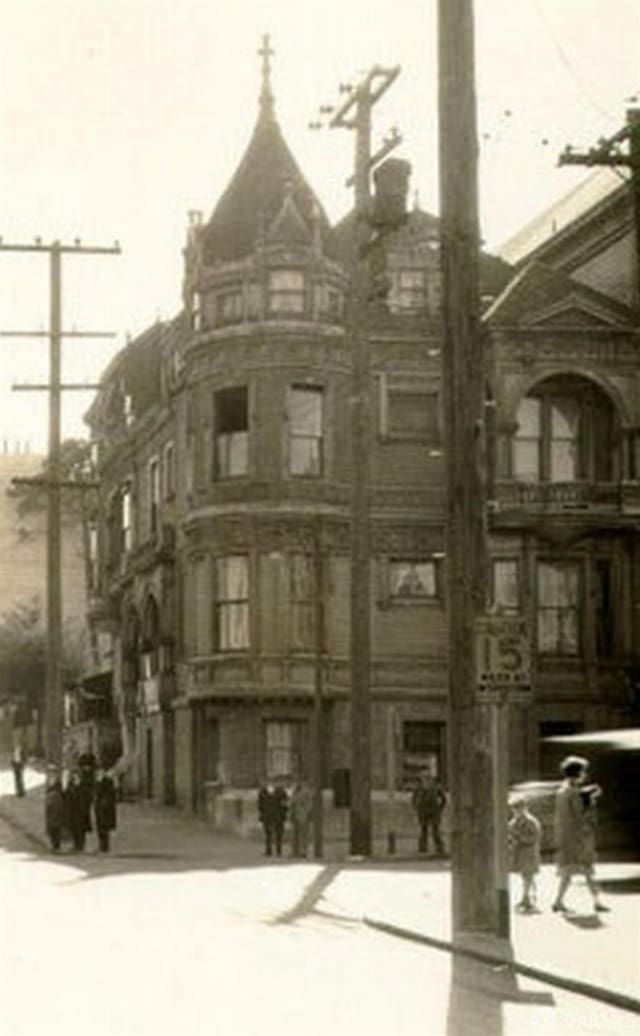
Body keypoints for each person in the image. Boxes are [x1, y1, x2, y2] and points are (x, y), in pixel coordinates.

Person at [552, 754, 609, 914]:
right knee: (587, 870)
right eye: (583, 771)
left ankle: (558, 902)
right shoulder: (573, 793)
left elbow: (574, 800)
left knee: (568, 873)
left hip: (566, 838)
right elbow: (580, 814)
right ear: (577, 773)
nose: (585, 774)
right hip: (578, 839)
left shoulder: (563, 790)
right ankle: (597, 902)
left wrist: (587, 793)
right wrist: (591, 800)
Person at [508, 795, 542, 912]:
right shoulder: (512, 823)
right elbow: (510, 836)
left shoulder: (531, 822)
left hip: (529, 852)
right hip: (519, 853)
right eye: (514, 808)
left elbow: (536, 837)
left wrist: (521, 839)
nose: (517, 811)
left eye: (519, 808)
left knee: (528, 875)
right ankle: (529, 897)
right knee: (525, 876)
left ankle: (527, 898)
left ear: (525, 808)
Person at [411, 769, 447, 856]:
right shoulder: (419, 788)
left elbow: (443, 799)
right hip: (423, 811)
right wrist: (417, 807)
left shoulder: (436, 787)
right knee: (424, 830)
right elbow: (414, 798)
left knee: (436, 830)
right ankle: (423, 847)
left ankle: (439, 847)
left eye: (428, 777)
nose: (426, 779)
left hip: (434, 810)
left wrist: (440, 808)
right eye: (424, 777)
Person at [257, 778, 288, 857]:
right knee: (270, 833)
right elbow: (260, 805)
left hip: (275, 815)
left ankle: (276, 850)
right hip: (271, 815)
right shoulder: (263, 792)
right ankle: (271, 850)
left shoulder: (280, 792)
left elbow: (284, 804)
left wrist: (283, 812)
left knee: (276, 834)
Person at [66, 769, 92, 851]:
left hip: (82, 811)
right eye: (74, 776)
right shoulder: (70, 785)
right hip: (72, 810)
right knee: (74, 828)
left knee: (81, 829)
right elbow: (67, 796)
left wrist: (85, 806)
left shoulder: (84, 786)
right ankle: (75, 845)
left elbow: (88, 797)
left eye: (77, 776)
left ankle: (81, 845)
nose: (75, 778)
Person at [94, 767, 117, 852]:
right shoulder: (97, 780)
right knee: (99, 826)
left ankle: (104, 846)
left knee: (104, 827)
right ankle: (101, 845)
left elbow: (110, 794)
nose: (99, 773)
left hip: (105, 808)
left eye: (101, 771)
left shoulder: (107, 781)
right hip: (99, 806)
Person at [289, 779, 313, 858]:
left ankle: (303, 851)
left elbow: (308, 803)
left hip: (302, 815)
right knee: (295, 834)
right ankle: (295, 851)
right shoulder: (295, 790)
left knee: (303, 834)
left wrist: (306, 811)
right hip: (295, 814)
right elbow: (292, 801)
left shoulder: (305, 791)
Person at [44, 767, 66, 852]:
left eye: (53, 772)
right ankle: (54, 844)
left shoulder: (58, 783)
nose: (52, 774)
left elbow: (60, 793)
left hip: (56, 804)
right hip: (51, 805)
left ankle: (57, 845)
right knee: (51, 826)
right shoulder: (49, 782)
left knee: (56, 825)